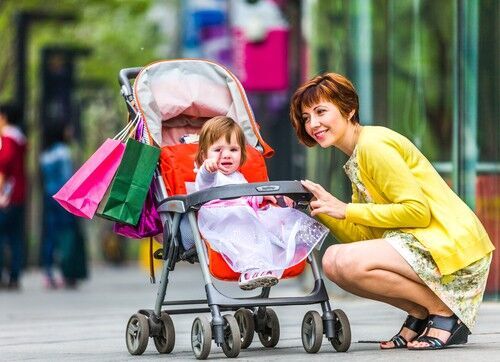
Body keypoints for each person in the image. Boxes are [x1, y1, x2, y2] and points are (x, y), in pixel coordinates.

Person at [289, 72, 494, 350]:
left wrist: (347, 209)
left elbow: (417, 212)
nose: (313, 123)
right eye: (306, 117)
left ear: (349, 109)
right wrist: (322, 208)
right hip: (423, 246)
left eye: (321, 111)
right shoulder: (357, 157)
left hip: (453, 248)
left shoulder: (374, 146)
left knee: (340, 259)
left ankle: (444, 313)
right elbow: (365, 242)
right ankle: (422, 313)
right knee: (336, 263)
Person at [195, 116, 328, 290]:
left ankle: (292, 238)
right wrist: (207, 168)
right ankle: (250, 272)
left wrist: (265, 197)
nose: (226, 155)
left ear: (242, 153)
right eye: (218, 149)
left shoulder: (239, 177)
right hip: (223, 221)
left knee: (275, 221)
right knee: (244, 238)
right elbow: (204, 182)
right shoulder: (210, 176)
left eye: (233, 149)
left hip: (245, 217)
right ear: (205, 154)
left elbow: (247, 197)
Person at [40, 122, 88, 289]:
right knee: (67, 235)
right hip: (64, 199)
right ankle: (66, 271)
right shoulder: (63, 151)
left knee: (50, 236)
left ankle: (48, 273)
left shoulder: (45, 154)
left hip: (49, 197)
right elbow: (68, 177)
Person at [0, 103, 27, 290]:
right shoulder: (20, 138)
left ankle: (3, 274)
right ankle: (15, 275)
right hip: (19, 193)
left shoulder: (8, 138)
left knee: (2, 236)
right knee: (15, 237)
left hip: (6, 195)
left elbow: (4, 164)